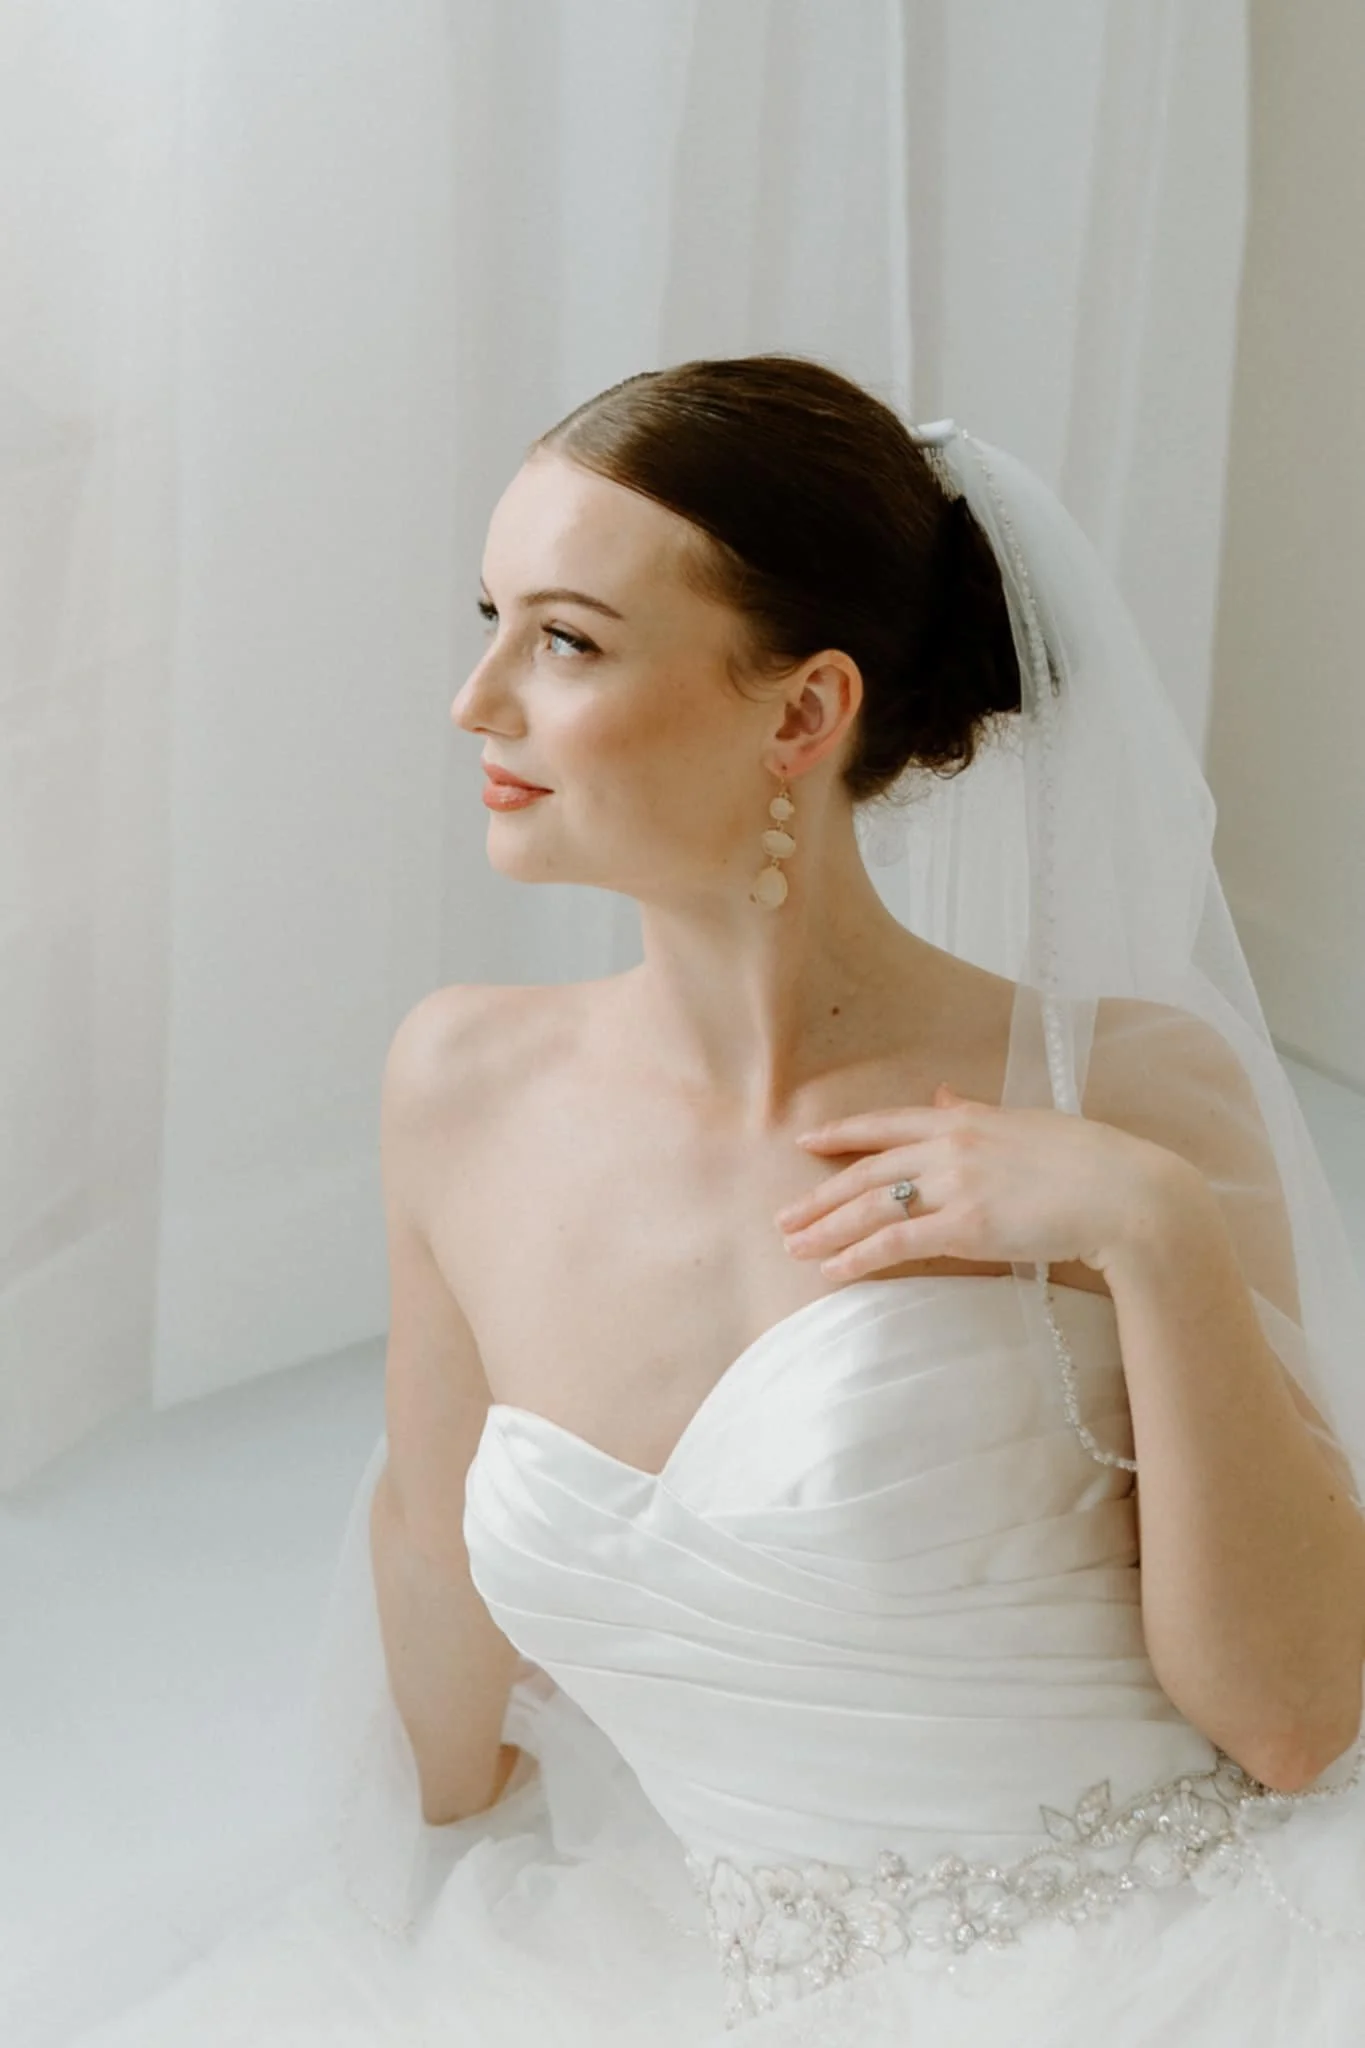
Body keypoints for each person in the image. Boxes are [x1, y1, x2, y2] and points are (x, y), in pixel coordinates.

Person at [52, 356, 1365, 2044]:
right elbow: (444, 1656)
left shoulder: (1128, 1095)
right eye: (489, 617)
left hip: (1184, 1963)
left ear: (803, 715)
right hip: (676, 1965)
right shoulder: (460, 1092)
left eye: (568, 639)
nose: (477, 700)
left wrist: (1150, 1229)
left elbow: (1295, 1720)